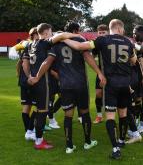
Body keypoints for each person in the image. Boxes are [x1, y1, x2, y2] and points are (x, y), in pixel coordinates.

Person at [58, 19, 137, 159]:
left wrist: (64, 39)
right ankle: (121, 141)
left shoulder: (102, 39)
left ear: (111, 28)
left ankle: (115, 149)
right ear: (120, 29)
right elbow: (133, 61)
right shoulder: (128, 42)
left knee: (110, 116)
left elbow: (79, 46)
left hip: (110, 83)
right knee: (123, 113)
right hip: (125, 83)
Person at [28, 21, 106, 153]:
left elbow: (47, 62)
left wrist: (37, 76)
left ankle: (69, 146)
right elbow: (88, 57)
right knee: (84, 113)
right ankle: (88, 142)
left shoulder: (56, 43)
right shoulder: (79, 40)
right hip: (80, 84)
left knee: (68, 115)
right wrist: (99, 73)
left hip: (64, 84)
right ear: (76, 30)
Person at [23, 23, 82, 150]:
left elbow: (25, 63)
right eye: (51, 32)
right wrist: (76, 35)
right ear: (45, 33)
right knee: (42, 112)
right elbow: (61, 36)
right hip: (42, 83)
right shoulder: (44, 42)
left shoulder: (31, 44)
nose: (52, 34)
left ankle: (37, 136)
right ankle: (39, 142)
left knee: (38, 110)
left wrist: (29, 77)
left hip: (33, 83)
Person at [16, 27, 38, 140]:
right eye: (37, 34)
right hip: (28, 82)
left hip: (27, 80)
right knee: (35, 107)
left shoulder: (31, 46)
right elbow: (24, 64)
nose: (39, 36)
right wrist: (29, 77)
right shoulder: (30, 46)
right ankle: (29, 131)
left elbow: (20, 64)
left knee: (29, 106)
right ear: (32, 35)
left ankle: (29, 131)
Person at [92, 24, 109, 124]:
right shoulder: (97, 43)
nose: (102, 34)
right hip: (101, 73)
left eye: (104, 32)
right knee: (98, 94)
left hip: (112, 73)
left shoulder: (111, 42)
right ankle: (99, 116)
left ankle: (110, 115)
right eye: (100, 33)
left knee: (110, 95)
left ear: (108, 32)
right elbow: (91, 56)